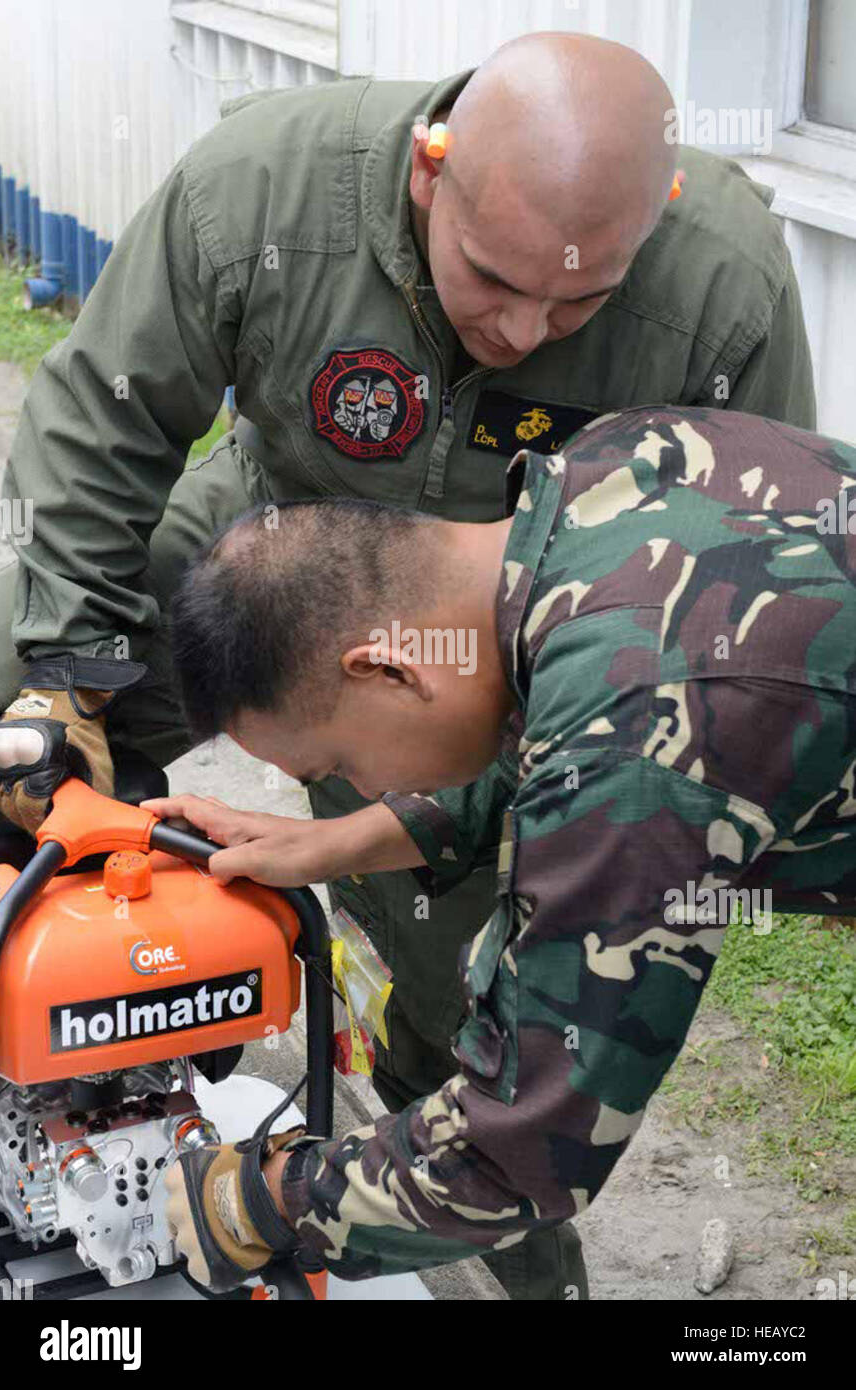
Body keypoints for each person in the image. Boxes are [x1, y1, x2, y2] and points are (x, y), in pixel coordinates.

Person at [0, 32, 815, 1299]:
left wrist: (251, 1202)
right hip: (299, 543)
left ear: (650, 228)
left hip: (535, 643)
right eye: (491, 276)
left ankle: (507, 1266)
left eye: (578, 305)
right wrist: (70, 684)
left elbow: (656, 736)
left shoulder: (721, 303)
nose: (522, 330)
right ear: (430, 171)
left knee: (470, 995)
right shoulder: (261, 196)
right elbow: (101, 425)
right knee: (10, 691)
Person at [150, 403, 856, 1289]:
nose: (363, 785)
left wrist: (256, 1202)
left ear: (390, 668)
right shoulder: (604, 472)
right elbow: (560, 723)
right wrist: (343, 842)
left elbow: (526, 1145)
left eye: (337, 763)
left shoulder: (632, 732)